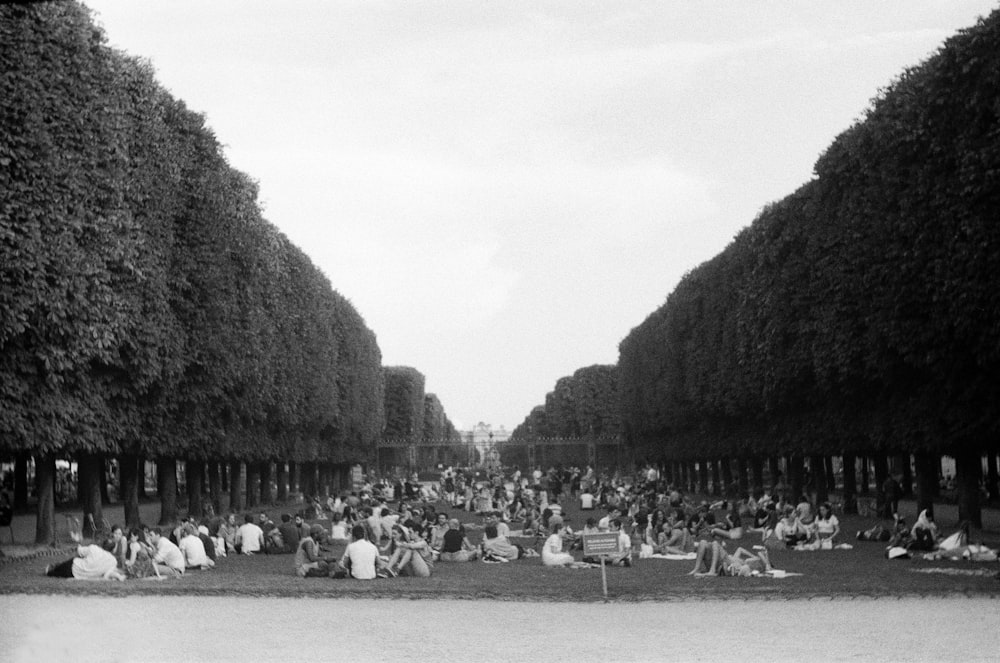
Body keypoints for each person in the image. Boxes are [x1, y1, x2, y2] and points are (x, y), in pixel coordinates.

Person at [45, 531, 125, 581]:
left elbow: (79, 550)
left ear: (102, 544)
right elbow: (108, 575)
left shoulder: (94, 548)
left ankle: (52, 568)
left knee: (54, 571)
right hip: (80, 574)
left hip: (74, 567)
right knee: (58, 572)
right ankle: (55, 567)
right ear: (113, 549)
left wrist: (81, 544)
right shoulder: (113, 561)